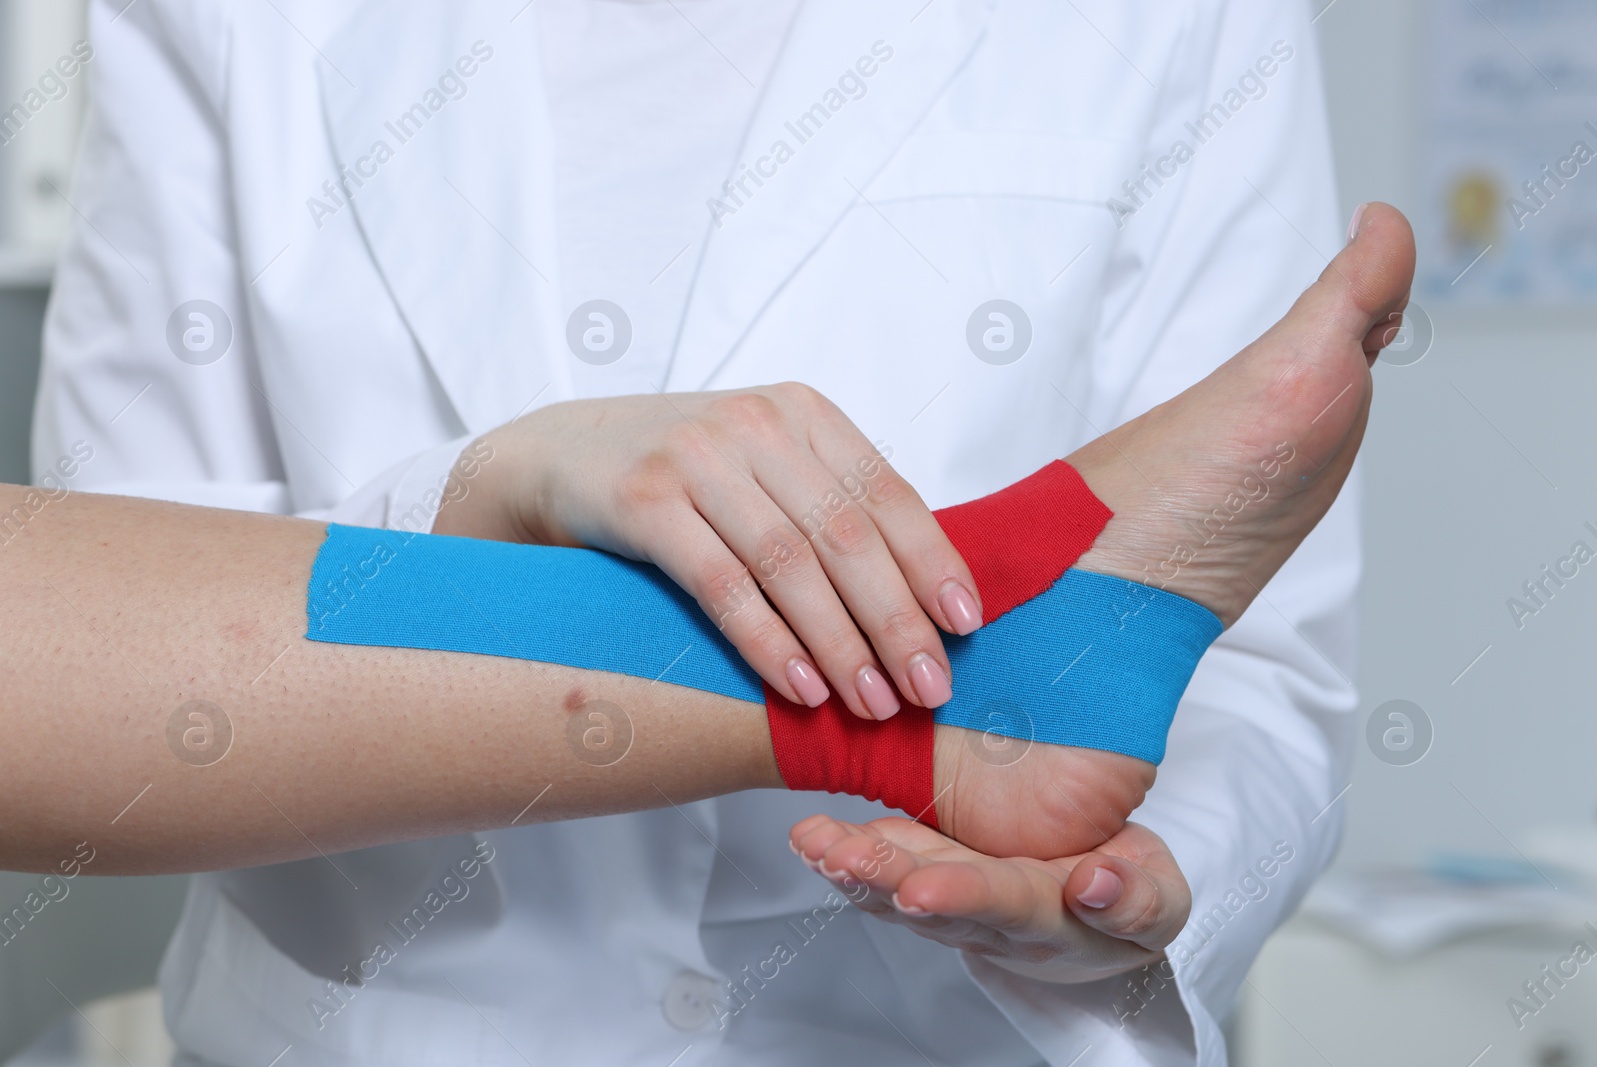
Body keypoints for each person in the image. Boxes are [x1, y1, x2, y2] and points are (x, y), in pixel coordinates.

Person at [31, 1, 1382, 1063]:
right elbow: (94, 656)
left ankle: (1001, 688)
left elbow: (1255, 677)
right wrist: (488, 488)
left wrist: (1138, 890)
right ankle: (980, 693)